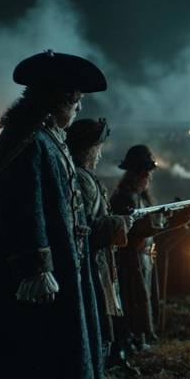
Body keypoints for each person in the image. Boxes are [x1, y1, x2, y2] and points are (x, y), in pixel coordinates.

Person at [0, 50, 107, 379]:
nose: (78, 108)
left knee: (50, 347)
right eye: (75, 99)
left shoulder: (47, 138)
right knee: (30, 349)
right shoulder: (26, 139)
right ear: (56, 98)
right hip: (31, 274)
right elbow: (22, 205)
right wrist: (37, 267)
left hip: (61, 261)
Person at [110, 145, 190, 351]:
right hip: (130, 258)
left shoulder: (140, 197)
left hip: (143, 257)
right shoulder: (125, 197)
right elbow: (137, 229)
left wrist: (182, 214)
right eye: (145, 172)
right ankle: (127, 343)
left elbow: (156, 226)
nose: (149, 177)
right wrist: (166, 218)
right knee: (131, 301)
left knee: (143, 299)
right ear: (138, 174)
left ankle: (139, 339)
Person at [66, 118, 131, 363]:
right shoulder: (81, 180)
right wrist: (119, 223)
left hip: (98, 261)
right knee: (96, 321)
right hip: (90, 264)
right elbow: (86, 227)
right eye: (97, 148)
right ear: (89, 149)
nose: (100, 154)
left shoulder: (84, 177)